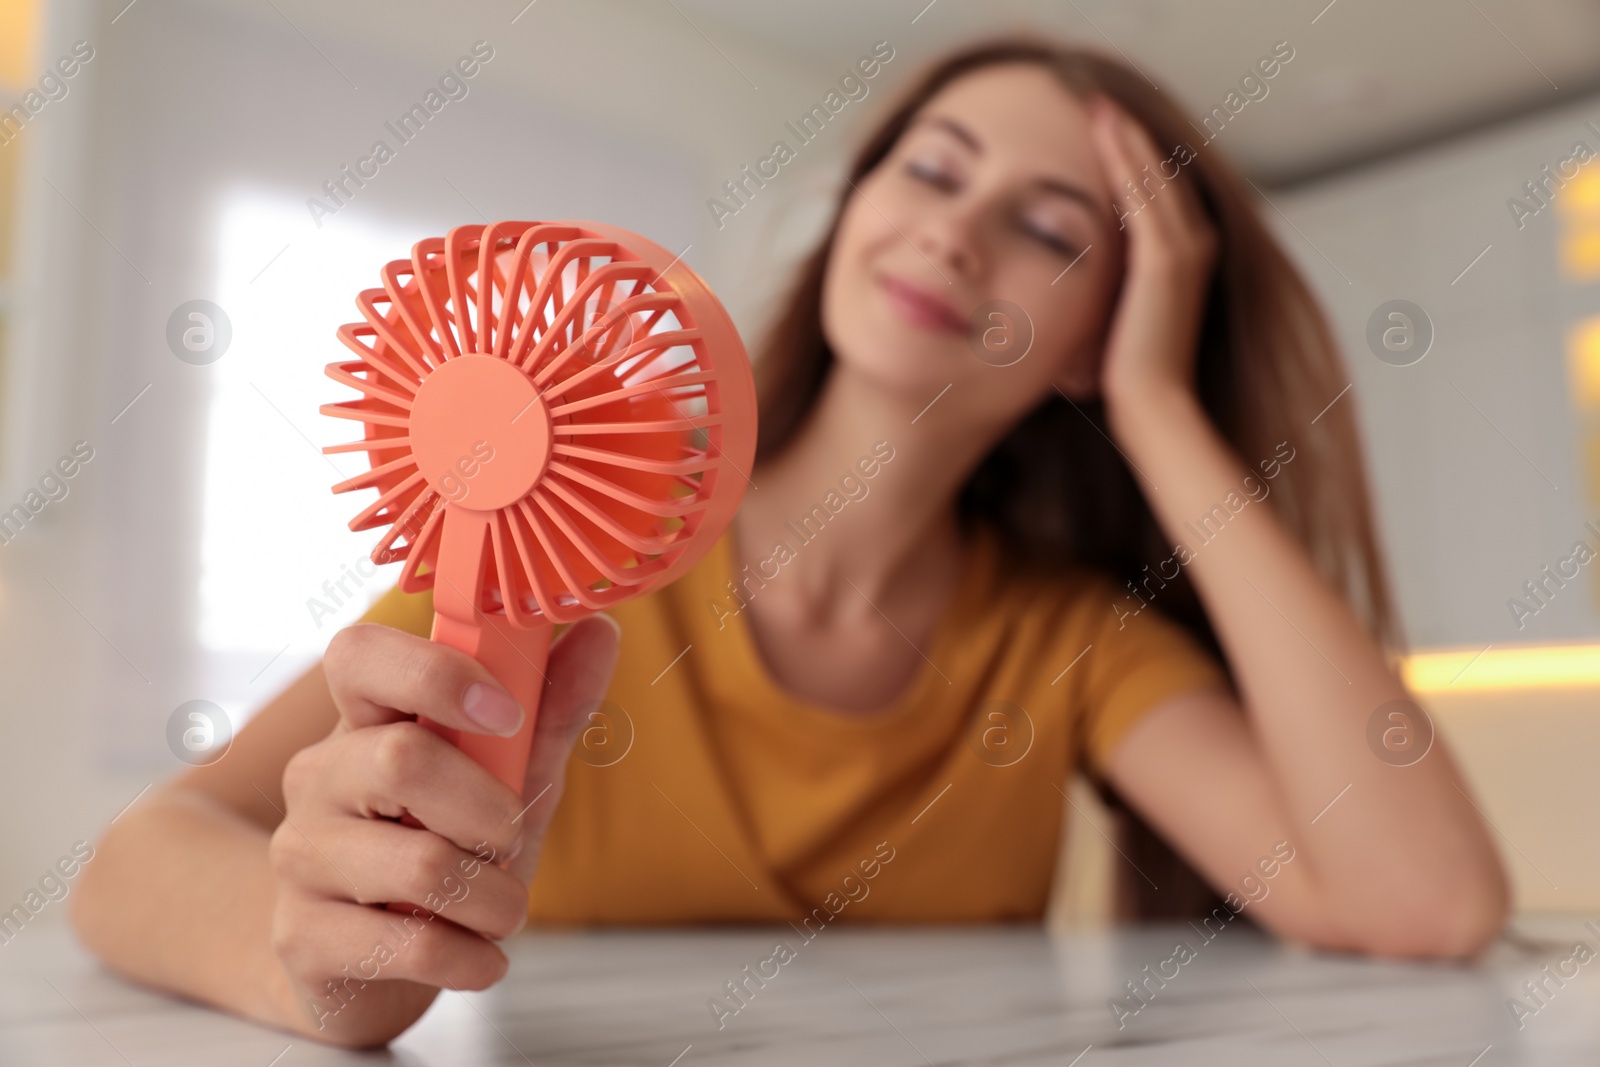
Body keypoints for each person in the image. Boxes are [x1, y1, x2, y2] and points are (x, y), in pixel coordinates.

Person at [70, 37, 1509, 1048]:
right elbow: (136, 860)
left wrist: (1160, 407)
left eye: (1051, 231)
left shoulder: (1068, 645)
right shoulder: (563, 536)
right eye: (932, 172)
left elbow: (1424, 900)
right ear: (858, 210)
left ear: (1103, 331)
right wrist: (316, 961)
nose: (955, 236)